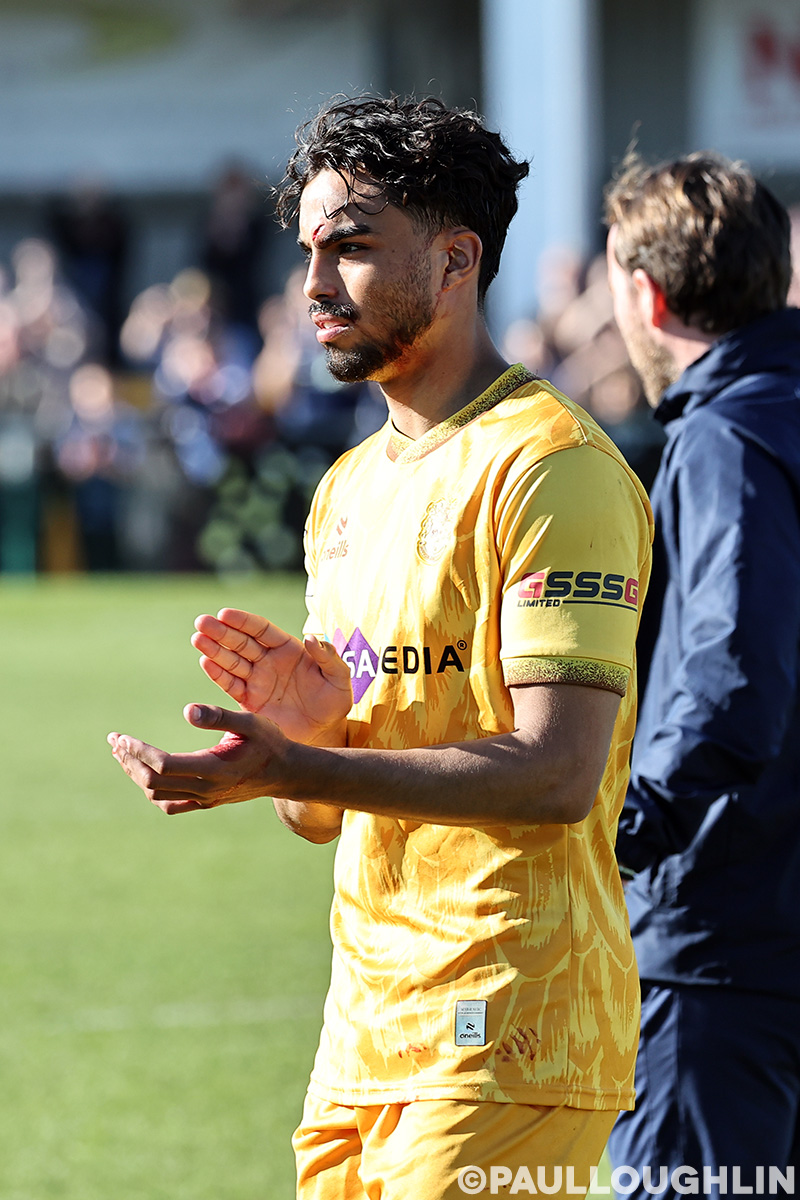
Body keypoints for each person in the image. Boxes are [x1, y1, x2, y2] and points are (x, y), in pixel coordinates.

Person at [109, 94, 653, 1200]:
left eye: (352, 247)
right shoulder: (347, 491)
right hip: (363, 1038)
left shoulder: (552, 471)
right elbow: (319, 817)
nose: (314, 284)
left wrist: (301, 764)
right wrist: (304, 750)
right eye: (310, 251)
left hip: (510, 1030)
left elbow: (557, 772)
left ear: (456, 260)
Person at [604, 151, 800, 1194]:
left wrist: (627, 831)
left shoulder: (727, 435)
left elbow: (729, 677)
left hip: (721, 936)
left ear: (647, 296)